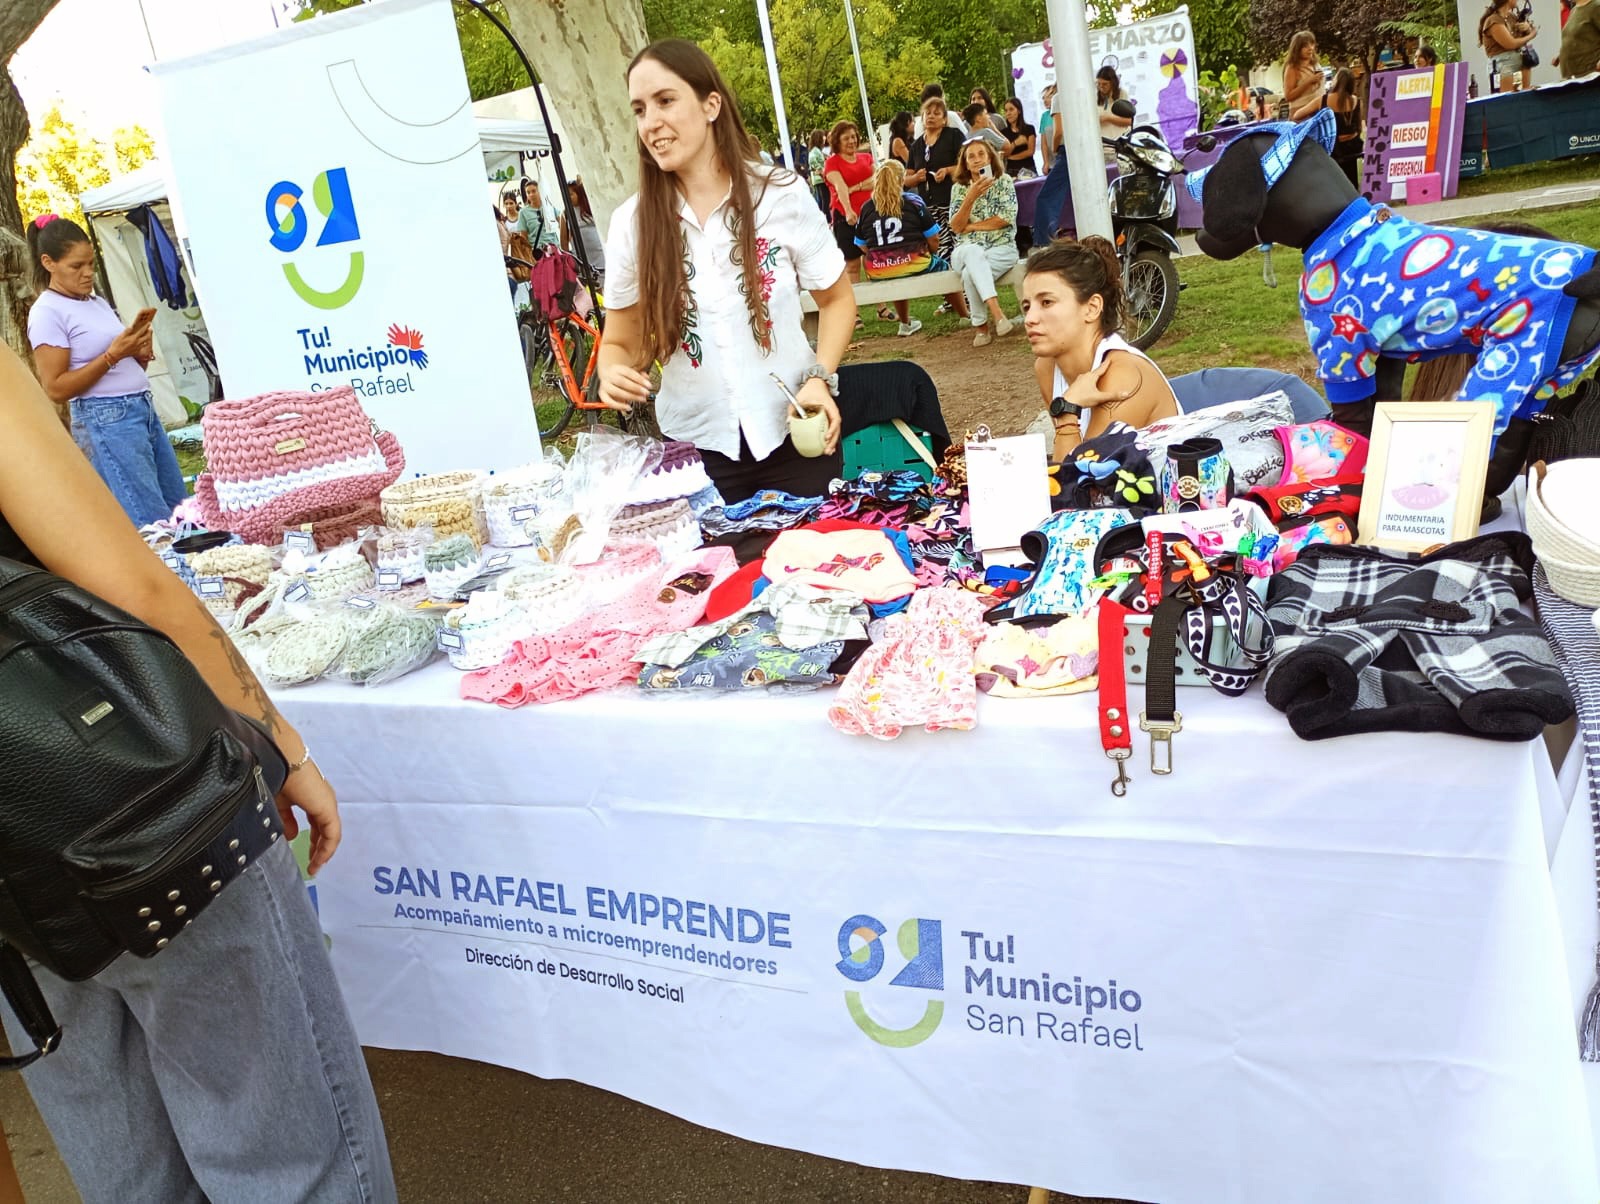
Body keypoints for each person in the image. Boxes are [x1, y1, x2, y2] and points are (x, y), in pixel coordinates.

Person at [0, 341, 397, 1201]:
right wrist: (281, 747)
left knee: (127, 1170)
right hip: (138, 810)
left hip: (13, 885)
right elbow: (132, 589)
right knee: (290, 1156)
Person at [596, 39, 856, 504]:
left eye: (665, 100)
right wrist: (611, 369)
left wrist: (820, 377)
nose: (650, 122)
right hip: (695, 459)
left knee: (814, 553)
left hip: (796, 437)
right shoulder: (631, 225)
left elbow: (837, 300)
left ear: (711, 104)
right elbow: (619, 341)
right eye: (639, 109)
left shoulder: (780, 195)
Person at [25, 216, 186, 529]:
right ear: (48, 263)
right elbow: (56, 388)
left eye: (90, 263)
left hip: (140, 407)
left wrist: (138, 353)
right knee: (150, 521)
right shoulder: (47, 312)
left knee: (179, 509)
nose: (87, 273)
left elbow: (117, 364)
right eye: (76, 266)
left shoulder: (95, 301)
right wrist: (114, 355)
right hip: (106, 417)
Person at [1024, 237, 1178, 459]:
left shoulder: (1124, 376)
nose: (1030, 318)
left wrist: (1067, 411)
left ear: (1092, 308)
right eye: (1027, 306)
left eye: (1046, 302)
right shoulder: (1047, 368)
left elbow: (1078, 476)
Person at [854, 159, 944, 336]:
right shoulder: (913, 201)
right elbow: (933, 238)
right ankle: (963, 314)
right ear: (902, 179)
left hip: (879, 268)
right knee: (944, 268)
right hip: (914, 261)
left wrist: (884, 256)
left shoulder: (867, 207)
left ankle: (905, 323)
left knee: (893, 267)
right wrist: (929, 254)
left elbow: (862, 245)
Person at [948, 138, 1019, 347]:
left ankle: (981, 328)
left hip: (1001, 247)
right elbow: (956, 226)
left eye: (981, 154)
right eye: (971, 156)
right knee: (972, 252)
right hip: (964, 250)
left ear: (990, 158)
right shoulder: (958, 189)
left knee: (970, 274)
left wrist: (971, 227)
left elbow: (1005, 218)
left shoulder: (1004, 181)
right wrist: (970, 197)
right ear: (965, 163)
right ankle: (998, 315)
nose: (977, 159)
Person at [907, 96, 965, 263]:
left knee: (959, 242)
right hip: (929, 205)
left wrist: (947, 170)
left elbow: (966, 165)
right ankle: (947, 275)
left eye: (936, 113)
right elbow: (906, 179)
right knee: (940, 245)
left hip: (953, 200)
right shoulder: (916, 146)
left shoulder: (953, 136)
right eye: (928, 113)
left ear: (944, 119)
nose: (931, 116)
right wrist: (916, 177)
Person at [823, 120, 876, 281]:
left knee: (873, 259)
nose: (851, 141)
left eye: (853, 137)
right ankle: (855, 297)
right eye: (846, 138)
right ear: (837, 141)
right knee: (852, 264)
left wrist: (855, 188)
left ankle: (879, 298)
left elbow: (876, 180)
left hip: (870, 214)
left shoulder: (866, 157)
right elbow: (840, 186)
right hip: (845, 217)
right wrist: (848, 211)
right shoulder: (832, 163)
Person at [1480, 0, 1537, 91]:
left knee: (1524, 96)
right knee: (1508, 98)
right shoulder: (1493, 21)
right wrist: (1531, 35)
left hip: (1520, 65)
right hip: (1504, 67)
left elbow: (1521, 38)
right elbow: (1511, 44)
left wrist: (1527, 28)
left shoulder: (1511, 17)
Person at [558, 178, 607, 282]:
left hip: (600, 254)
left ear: (579, 193)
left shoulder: (590, 207)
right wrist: (568, 262)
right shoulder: (565, 214)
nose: (568, 197)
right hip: (581, 258)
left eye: (571, 194)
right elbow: (564, 242)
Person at [1327, 69, 1364, 189]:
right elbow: (1359, 126)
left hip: (1334, 148)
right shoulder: (1356, 101)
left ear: (1337, 81)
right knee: (1352, 181)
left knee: (1336, 183)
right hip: (1352, 146)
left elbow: (1298, 114)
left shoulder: (1325, 100)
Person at [1282, 32, 1325, 118]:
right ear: (1297, 49)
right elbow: (1288, 96)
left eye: (1312, 44)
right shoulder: (1292, 68)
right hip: (1302, 114)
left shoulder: (1316, 64)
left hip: (1319, 110)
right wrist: (1309, 82)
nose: (1310, 48)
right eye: (1305, 46)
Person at [514, 176, 560, 250]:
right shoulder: (523, 212)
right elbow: (523, 236)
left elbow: (562, 222)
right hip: (537, 250)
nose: (531, 194)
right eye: (528, 192)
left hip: (554, 248)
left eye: (534, 191)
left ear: (539, 191)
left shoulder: (549, 206)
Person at [1096, 66, 1133, 161]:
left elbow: (1129, 121)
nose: (1101, 87)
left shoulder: (1122, 94)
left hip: (1119, 147)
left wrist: (1108, 118)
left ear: (1113, 82)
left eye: (1105, 84)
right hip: (1102, 148)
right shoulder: (1095, 96)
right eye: (1099, 84)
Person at [1557, 0, 1600, 75]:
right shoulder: (1574, 10)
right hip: (1572, 74)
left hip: (1589, 73)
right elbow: (1576, 38)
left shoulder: (1596, 6)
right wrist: (1560, 55)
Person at [1000, 96, 1037, 178]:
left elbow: (1030, 151)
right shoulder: (1003, 133)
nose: (1008, 113)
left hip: (1029, 169)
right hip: (1011, 171)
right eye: (1006, 110)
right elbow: (1004, 154)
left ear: (1019, 110)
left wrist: (1012, 157)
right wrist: (1015, 143)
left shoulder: (1029, 129)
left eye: (1011, 109)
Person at [807, 128, 829, 211]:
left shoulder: (818, 150)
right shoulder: (815, 151)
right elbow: (812, 161)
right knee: (825, 200)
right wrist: (821, 170)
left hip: (820, 178)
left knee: (824, 200)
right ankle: (825, 216)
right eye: (823, 136)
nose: (824, 138)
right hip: (820, 179)